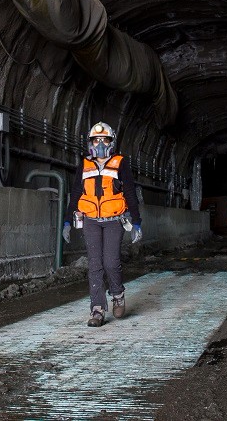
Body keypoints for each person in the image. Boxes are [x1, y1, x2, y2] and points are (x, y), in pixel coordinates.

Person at [62, 121, 142, 327]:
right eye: (95, 140)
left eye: (103, 139)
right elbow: (76, 193)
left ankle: (117, 294)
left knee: (111, 262)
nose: (99, 144)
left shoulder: (120, 163)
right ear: (90, 142)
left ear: (111, 142)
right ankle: (97, 309)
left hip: (114, 220)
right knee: (94, 265)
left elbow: (131, 193)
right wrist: (67, 220)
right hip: (90, 221)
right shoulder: (85, 164)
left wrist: (137, 222)